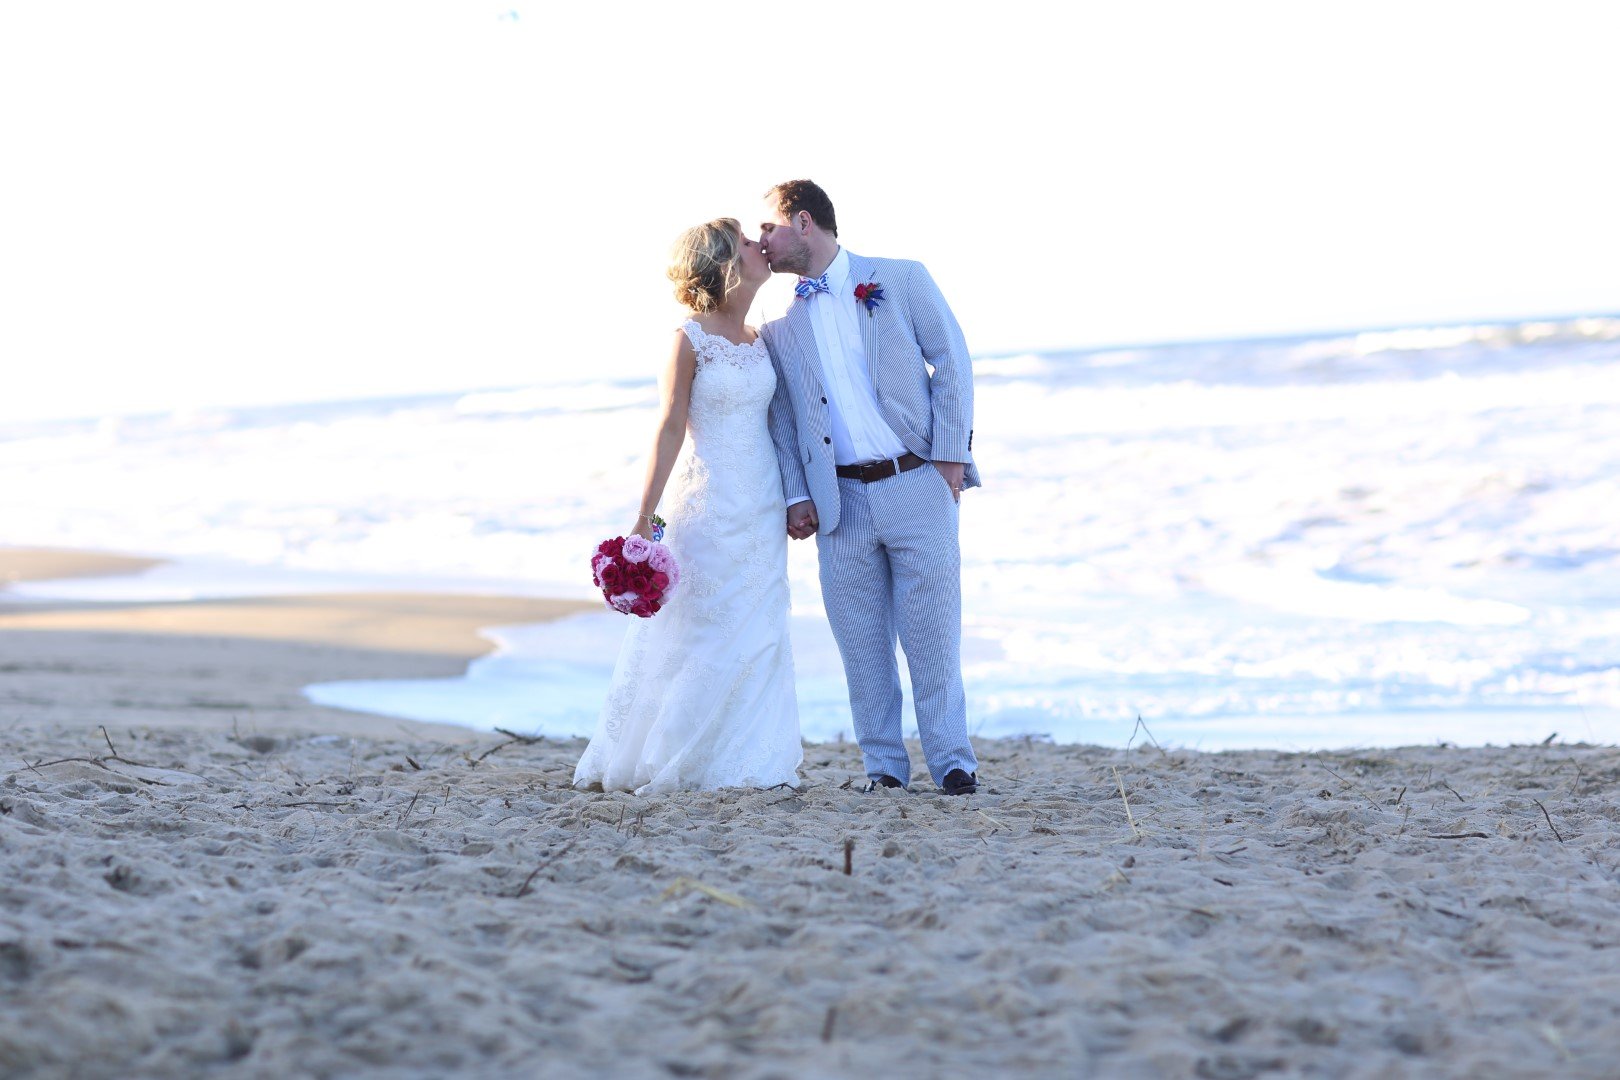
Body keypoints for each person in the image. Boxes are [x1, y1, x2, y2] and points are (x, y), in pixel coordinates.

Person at [757, 180, 980, 796]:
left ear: (802, 222)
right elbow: (781, 420)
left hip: (917, 481)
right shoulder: (777, 326)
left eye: (768, 229)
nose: (761, 242)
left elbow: (951, 360)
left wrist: (950, 453)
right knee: (862, 649)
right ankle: (883, 768)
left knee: (934, 635)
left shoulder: (901, 278)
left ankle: (953, 763)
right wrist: (797, 493)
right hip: (840, 504)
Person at [572, 218, 802, 794]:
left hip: (761, 503)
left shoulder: (761, 337)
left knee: (760, 627)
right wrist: (645, 516)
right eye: (747, 242)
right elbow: (670, 426)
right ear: (726, 263)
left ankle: (752, 760)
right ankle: (678, 759)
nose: (760, 245)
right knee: (701, 631)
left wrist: (798, 498)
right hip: (706, 505)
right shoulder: (687, 338)